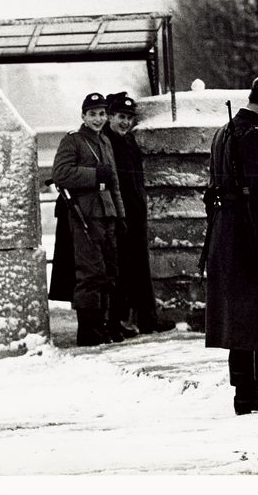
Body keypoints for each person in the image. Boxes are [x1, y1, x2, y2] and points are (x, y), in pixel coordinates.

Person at [203, 70, 258, 416]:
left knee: (244, 310)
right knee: (247, 310)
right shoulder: (256, 136)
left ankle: (251, 381)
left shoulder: (226, 131)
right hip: (247, 230)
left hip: (227, 228)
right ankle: (246, 392)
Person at [51, 92, 128, 345]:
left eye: (102, 114)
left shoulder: (105, 141)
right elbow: (61, 174)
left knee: (109, 271)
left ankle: (104, 326)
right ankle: (88, 331)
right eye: (93, 114)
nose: (98, 119)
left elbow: (114, 181)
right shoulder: (72, 141)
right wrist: (95, 175)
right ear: (83, 116)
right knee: (90, 272)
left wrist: (120, 214)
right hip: (84, 215)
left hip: (107, 215)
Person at [103, 91, 176, 335]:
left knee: (140, 268)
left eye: (129, 118)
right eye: (120, 117)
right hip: (118, 214)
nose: (125, 122)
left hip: (135, 213)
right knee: (120, 269)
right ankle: (119, 320)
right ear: (110, 117)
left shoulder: (128, 140)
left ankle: (147, 319)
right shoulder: (106, 142)